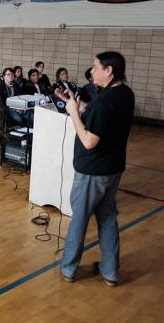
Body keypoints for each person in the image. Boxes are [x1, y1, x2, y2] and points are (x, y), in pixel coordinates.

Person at [59, 51, 134, 287]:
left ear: (109, 70)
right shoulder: (125, 94)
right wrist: (79, 104)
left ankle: (69, 268)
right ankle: (110, 271)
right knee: (108, 218)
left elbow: (90, 141)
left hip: (92, 172)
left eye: (95, 66)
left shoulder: (105, 101)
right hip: (113, 169)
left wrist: (72, 113)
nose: (91, 71)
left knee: (79, 220)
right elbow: (101, 117)